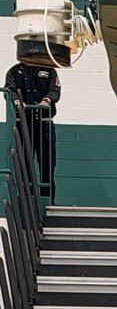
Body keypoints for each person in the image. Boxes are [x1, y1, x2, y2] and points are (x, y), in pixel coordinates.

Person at [4, 61, 60, 203]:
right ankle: (27, 199)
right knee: (24, 163)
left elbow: (55, 90)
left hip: (44, 123)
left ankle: (48, 199)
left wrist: (46, 100)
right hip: (23, 124)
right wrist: (17, 101)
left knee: (47, 163)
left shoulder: (49, 70)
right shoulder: (14, 72)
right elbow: (9, 90)